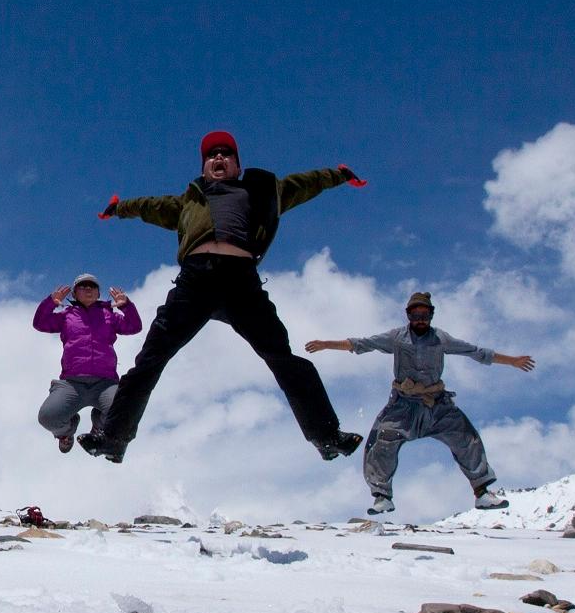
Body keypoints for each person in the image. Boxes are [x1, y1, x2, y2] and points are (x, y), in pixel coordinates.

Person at [86, 130, 367, 463]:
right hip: (195, 282)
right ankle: (114, 438)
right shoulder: (187, 202)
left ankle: (326, 436)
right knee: (150, 359)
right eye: (211, 156)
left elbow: (304, 183)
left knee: (283, 358)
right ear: (205, 166)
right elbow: (149, 207)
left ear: (236, 165)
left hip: (241, 283)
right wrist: (118, 210)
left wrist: (338, 175)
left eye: (225, 155)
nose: (218, 159)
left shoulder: (262, 191)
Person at [305, 292, 535, 516]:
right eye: (416, 316)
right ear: (408, 316)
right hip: (402, 406)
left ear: (431, 315)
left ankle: (482, 492)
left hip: (436, 405)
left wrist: (512, 361)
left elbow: (476, 352)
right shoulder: (397, 337)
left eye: (425, 315)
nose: (420, 320)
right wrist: (326, 344)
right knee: (381, 441)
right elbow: (363, 343)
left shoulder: (441, 339)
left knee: (466, 438)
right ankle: (382, 497)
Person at [32, 274, 142, 452]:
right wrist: (51, 302)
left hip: (105, 384)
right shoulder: (67, 315)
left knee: (127, 413)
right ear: (74, 294)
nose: (88, 289)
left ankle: (99, 425)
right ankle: (66, 432)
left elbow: (134, 326)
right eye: (83, 286)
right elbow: (40, 323)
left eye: (93, 286)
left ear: (98, 293)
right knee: (47, 417)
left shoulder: (109, 315)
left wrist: (126, 306)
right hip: (72, 383)